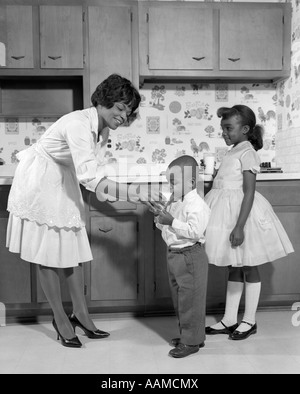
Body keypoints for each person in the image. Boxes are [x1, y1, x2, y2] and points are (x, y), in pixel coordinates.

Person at [6, 74, 160, 348]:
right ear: (103, 101)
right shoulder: (78, 124)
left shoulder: (102, 130)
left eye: (129, 111)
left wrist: (131, 192)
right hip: (41, 180)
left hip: (62, 179)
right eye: (120, 107)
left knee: (71, 250)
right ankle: (60, 319)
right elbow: (90, 177)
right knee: (47, 254)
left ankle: (81, 314)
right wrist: (135, 192)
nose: (124, 116)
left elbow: (91, 173)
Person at [204, 105, 294, 340]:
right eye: (222, 128)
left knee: (248, 265)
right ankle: (229, 319)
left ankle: (249, 320)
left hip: (241, 215)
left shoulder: (248, 153)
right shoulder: (233, 150)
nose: (224, 132)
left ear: (245, 129)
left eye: (228, 128)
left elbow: (249, 192)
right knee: (234, 265)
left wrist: (239, 226)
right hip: (225, 212)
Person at [151, 155, 211, 358]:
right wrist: (159, 215)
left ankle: (191, 342)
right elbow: (164, 226)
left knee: (190, 301)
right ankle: (191, 336)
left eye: (174, 182)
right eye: (169, 182)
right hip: (174, 255)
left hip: (190, 256)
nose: (170, 186)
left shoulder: (197, 205)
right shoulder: (176, 201)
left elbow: (195, 231)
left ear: (192, 182)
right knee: (181, 300)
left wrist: (172, 221)